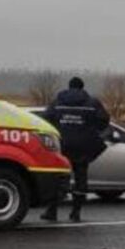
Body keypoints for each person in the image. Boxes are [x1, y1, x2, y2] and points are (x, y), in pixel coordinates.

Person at [40, 76, 110, 222]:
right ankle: (75, 212)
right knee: (80, 179)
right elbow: (104, 120)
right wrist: (91, 130)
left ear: (69, 86)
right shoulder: (92, 103)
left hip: (62, 145)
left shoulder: (58, 102)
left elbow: (45, 118)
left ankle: (52, 211)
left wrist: (58, 129)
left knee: (59, 178)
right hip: (83, 147)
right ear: (82, 87)